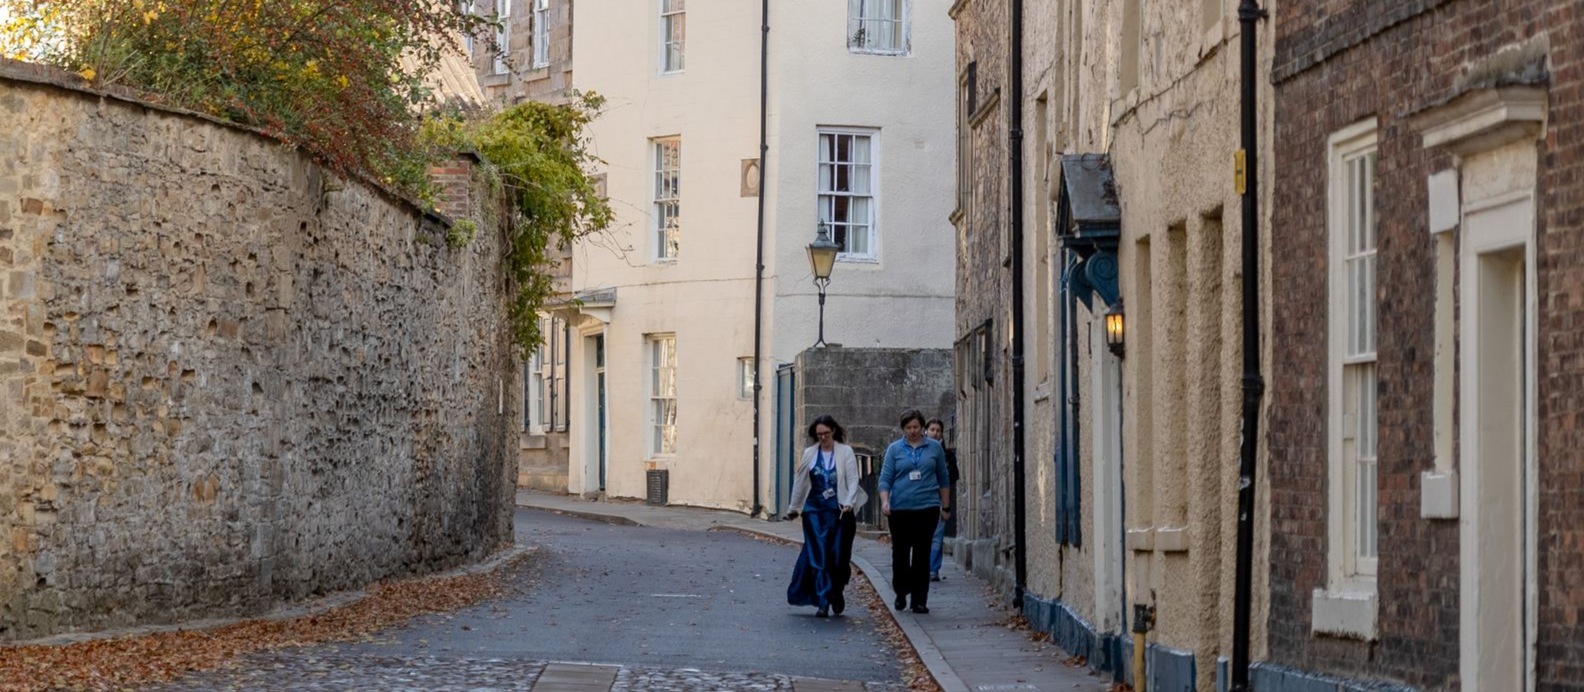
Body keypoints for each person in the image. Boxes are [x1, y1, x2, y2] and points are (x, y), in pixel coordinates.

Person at [785, 415, 867, 617]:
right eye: (819, 434)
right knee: (818, 555)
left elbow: (852, 479)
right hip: (814, 511)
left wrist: (849, 502)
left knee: (838, 557)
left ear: (834, 432)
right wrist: (794, 507)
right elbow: (801, 481)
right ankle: (823, 600)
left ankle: (836, 591)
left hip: (838, 512)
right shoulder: (810, 454)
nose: (823, 438)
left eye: (826, 434)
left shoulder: (845, 452)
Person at [878, 409, 951, 614]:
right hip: (900, 509)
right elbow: (885, 479)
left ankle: (919, 600)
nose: (912, 431)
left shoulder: (934, 448)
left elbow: (943, 478)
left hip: (926, 508)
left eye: (916, 427)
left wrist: (945, 506)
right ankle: (901, 591)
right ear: (903, 429)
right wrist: (885, 501)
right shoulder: (894, 449)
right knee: (900, 554)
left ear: (922, 428)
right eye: (908, 428)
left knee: (922, 554)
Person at [925, 419, 960, 582]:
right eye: (932, 429)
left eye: (938, 430)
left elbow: (952, 478)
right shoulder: (920, 452)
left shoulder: (948, 456)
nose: (935, 433)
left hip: (939, 499)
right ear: (926, 431)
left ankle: (932, 569)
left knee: (937, 536)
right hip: (922, 498)